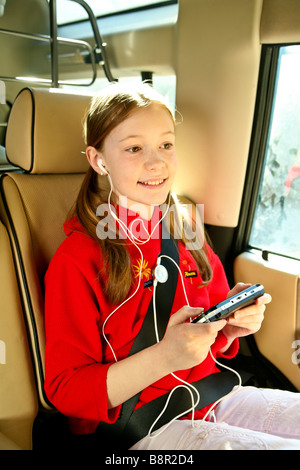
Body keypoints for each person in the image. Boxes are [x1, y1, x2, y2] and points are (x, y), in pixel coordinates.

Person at [44, 82, 300, 450]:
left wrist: (231, 325)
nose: (157, 161)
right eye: (134, 148)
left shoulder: (185, 229)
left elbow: (210, 333)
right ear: (99, 160)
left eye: (166, 144)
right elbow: (66, 391)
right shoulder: (77, 259)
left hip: (211, 396)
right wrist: (165, 356)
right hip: (139, 427)